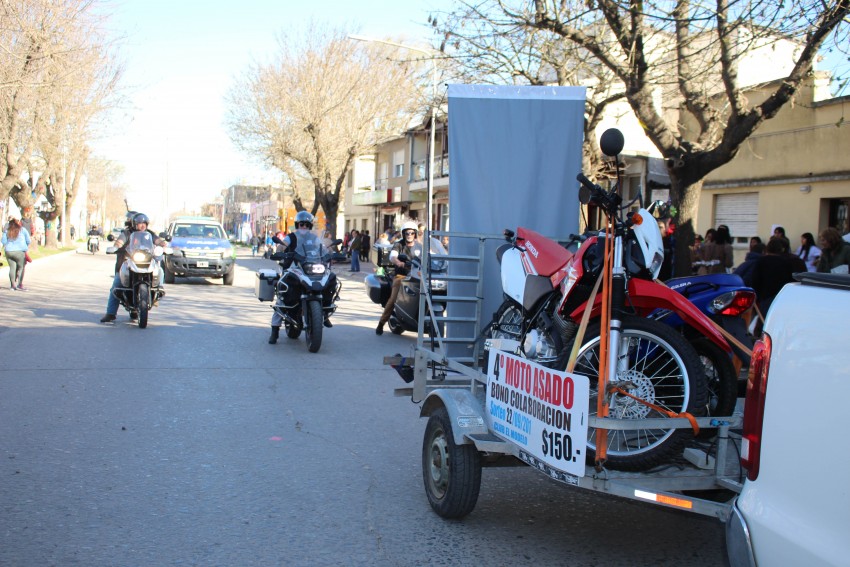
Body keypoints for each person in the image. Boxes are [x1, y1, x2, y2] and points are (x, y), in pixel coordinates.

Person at [267, 211, 333, 344]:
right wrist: (280, 252)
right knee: (282, 297)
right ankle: (274, 331)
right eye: (301, 224)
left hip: (309, 268)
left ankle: (325, 311)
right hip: (293, 268)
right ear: (298, 224)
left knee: (331, 277)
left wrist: (330, 251)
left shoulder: (314, 238)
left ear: (310, 226)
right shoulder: (291, 237)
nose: (304, 226)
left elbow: (323, 248)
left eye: (306, 224)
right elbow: (282, 246)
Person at [100, 212, 167, 323]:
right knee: (116, 286)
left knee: (160, 272)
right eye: (140, 223)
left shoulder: (149, 234)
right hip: (128, 262)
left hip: (146, 262)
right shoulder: (127, 233)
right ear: (134, 224)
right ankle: (110, 313)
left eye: (144, 223)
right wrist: (116, 246)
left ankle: (156, 291)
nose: (142, 226)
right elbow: (119, 241)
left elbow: (157, 240)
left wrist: (164, 245)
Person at [376, 221, 422, 335]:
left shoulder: (420, 247)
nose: (409, 235)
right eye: (407, 233)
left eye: (412, 233)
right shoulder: (399, 244)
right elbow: (392, 256)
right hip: (402, 276)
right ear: (403, 234)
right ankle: (381, 323)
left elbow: (429, 255)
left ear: (415, 233)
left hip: (417, 276)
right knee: (393, 299)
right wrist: (398, 262)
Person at [2, 218, 31, 291]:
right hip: (20, 251)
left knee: (12, 268)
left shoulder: (7, 230)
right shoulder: (22, 230)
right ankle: (19, 284)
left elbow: (3, 241)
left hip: (9, 251)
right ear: (18, 223)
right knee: (21, 268)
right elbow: (28, 240)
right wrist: (25, 247)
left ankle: (12, 286)